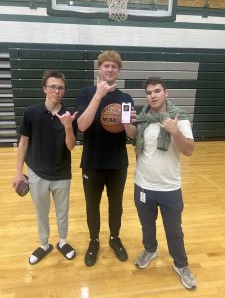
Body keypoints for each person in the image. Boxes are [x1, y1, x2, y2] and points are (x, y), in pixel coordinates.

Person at [134, 77, 197, 290]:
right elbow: (134, 139)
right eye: (149, 92)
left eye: (157, 91)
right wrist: (127, 122)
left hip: (169, 187)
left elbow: (188, 150)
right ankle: (150, 250)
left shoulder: (178, 118)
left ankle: (181, 264)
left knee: (174, 230)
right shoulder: (142, 119)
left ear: (166, 93)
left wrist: (174, 130)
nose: (153, 95)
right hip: (143, 185)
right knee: (147, 225)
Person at [75, 51, 136, 266]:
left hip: (118, 162)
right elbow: (81, 125)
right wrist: (98, 96)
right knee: (92, 204)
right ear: (99, 69)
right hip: (92, 162)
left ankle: (114, 238)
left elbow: (132, 134)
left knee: (116, 204)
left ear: (118, 71)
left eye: (114, 67)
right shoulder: (86, 93)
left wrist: (126, 121)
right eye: (106, 66)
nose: (109, 69)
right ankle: (94, 241)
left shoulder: (126, 99)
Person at [12, 70, 77, 265]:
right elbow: (23, 143)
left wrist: (67, 126)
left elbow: (71, 146)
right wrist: (18, 172)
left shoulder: (68, 114)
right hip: (37, 172)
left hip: (62, 173)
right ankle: (43, 245)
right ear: (45, 89)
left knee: (62, 211)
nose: (56, 90)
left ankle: (63, 242)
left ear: (63, 91)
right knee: (41, 211)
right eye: (53, 87)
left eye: (60, 88)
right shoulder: (31, 112)